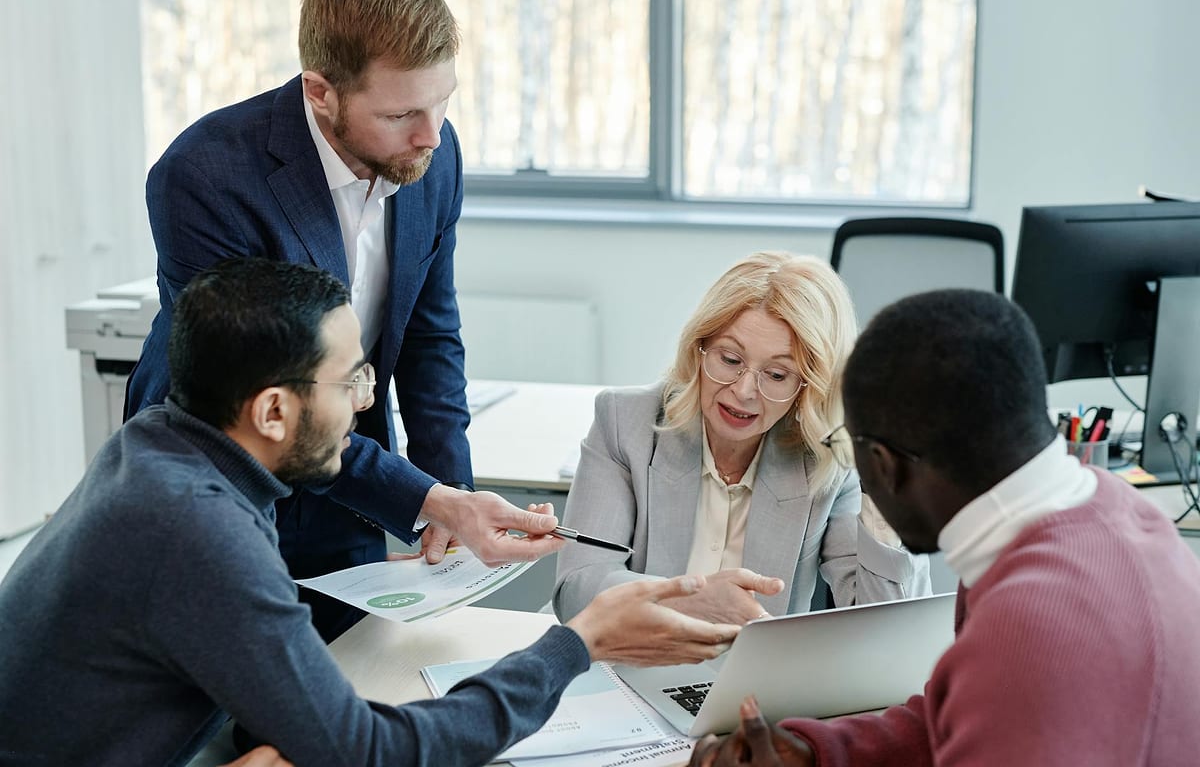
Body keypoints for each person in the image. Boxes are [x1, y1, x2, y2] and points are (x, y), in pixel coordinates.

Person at [0, 258, 740, 766]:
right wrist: (577, 645)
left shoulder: (160, 442)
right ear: (272, 410)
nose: (363, 403)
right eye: (349, 380)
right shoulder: (199, 529)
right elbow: (371, 752)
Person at [123, 0, 504, 641]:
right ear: (321, 92)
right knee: (232, 689)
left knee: (355, 671)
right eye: (400, 115)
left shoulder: (431, 157)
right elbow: (266, 398)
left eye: (442, 102)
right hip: (223, 480)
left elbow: (429, 337)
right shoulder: (204, 177)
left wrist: (451, 497)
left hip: (347, 464)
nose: (431, 135)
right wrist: (424, 498)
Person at [687, 289, 1200, 767]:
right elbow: (957, 711)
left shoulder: (1030, 627)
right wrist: (815, 751)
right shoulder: (1108, 513)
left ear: (883, 465)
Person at [553, 252, 929, 625]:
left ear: (809, 386)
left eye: (777, 375)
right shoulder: (625, 421)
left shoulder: (826, 460)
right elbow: (578, 590)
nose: (744, 391)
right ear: (699, 348)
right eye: (730, 360)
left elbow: (884, 623)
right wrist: (690, 601)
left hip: (760, 665)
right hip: (633, 656)